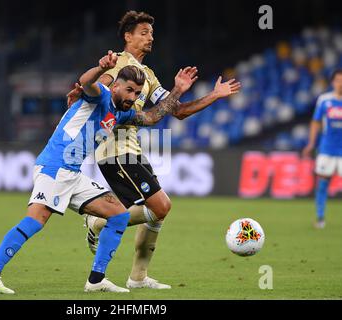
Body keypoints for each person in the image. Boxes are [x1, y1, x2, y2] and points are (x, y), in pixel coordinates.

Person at [0, 50, 196, 293]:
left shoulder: (121, 112)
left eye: (137, 93)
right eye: (129, 90)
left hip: (73, 174)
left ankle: (96, 280)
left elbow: (153, 117)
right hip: (55, 167)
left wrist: (177, 91)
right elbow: (86, 82)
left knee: (119, 215)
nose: (133, 96)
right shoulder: (100, 96)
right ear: (117, 86)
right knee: (36, 220)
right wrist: (101, 68)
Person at [67, 11, 241, 289]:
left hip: (132, 149)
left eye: (151, 34)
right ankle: (96, 222)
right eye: (144, 33)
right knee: (161, 206)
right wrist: (81, 96)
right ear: (128, 36)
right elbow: (100, 89)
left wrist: (212, 95)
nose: (150, 38)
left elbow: (178, 111)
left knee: (159, 211)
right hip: (114, 149)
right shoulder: (119, 63)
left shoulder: (147, 75)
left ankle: (137, 278)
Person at [302, 69, 342, 229]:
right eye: (338, 80)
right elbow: (316, 122)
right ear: (333, 82)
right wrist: (311, 143)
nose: (341, 83)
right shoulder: (325, 100)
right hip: (327, 149)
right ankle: (320, 218)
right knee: (323, 184)